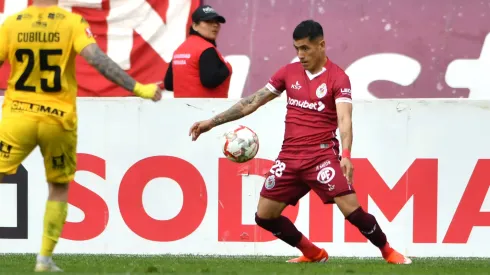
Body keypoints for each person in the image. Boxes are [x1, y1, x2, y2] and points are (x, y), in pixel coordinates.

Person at [189, 20, 411, 265]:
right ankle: (313, 253)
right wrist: (212, 122)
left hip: (321, 156)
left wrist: (346, 154)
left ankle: (388, 251)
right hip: (289, 157)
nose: (301, 55)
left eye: (305, 48)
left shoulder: (338, 78)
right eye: (297, 49)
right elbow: (252, 101)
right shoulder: (288, 72)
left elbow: (344, 118)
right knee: (264, 216)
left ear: (322, 45)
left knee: (352, 211)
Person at [0, 0, 161, 272]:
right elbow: (97, 60)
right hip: (57, 119)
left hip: (18, 116)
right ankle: (44, 260)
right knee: (59, 186)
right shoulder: (71, 22)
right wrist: (139, 89)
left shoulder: (12, 24)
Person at [163, 5, 232, 98]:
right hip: (209, 110)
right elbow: (210, 81)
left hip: (181, 110)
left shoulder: (179, 50)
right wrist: (227, 69)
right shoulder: (206, 49)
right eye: (208, 21)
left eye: (217, 22)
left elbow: (169, 84)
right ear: (195, 26)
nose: (215, 25)